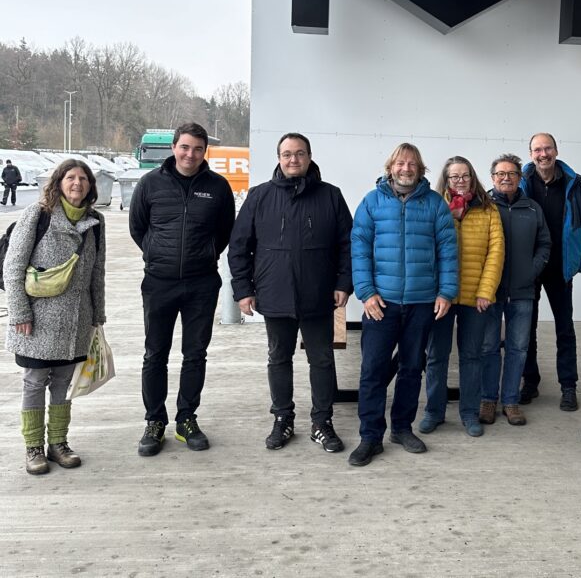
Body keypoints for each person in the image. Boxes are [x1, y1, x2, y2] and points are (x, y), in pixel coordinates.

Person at [228, 132, 353, 454]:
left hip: (319, 296)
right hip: (275, 295)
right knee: (278, 358)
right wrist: (243, 290)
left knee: (322, 360)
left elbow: (347, 246)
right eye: (287, 154)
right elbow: (239, 247)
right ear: (279, 158)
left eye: (299, 154)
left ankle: (322, 423)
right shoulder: (260, 197)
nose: (293, 160)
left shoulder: (330, 196)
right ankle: (282, 419)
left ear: (309, 157)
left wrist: (343, 284)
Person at [349, 143, 458, 466]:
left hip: (422, 302)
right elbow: (359, 249)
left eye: (412, 164)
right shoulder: (371, 203)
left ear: (420, 169)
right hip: (381, 303)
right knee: (372, 370)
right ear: (390, 167)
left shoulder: (436, 205)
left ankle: (401, 428)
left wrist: (446, 292)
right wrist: (366, 292)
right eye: (400, 163)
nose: (406, 169)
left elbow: (448, 252)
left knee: (412, 368)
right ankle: (370, 436)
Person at [129, 122, 235, 457]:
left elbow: (224, 232)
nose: (190, 154)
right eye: (185, 147)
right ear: (174, 147)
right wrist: (157, 252)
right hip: (159, 283)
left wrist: (202, 256)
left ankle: (186, 419)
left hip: (201, 284)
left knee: (195, 354)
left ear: (205, 152)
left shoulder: (218, 187)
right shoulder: (150, 184)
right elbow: (138, 227)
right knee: (154, 354)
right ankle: (154, 421)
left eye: (198, 149)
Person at [4, 159, 106, 474]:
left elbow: (97, 273)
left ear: (90, 185)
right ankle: (33, 448)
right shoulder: (38, 215)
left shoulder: (96, 221)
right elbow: (13, 266)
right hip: (35, 319)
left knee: (64, 382)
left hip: (77, 319)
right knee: (34, 381)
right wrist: (19, 311)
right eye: (71, 177)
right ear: (59, 182)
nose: (77, 183)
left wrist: (97, 315)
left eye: (83, 179)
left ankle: (58, 443)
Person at [419, 156, 504, 437]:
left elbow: (496, 253)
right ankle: (434, 411)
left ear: (472, 177)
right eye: (454, 176)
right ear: (446, 178)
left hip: (474, 296)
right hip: (441, 296)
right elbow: (427, 250)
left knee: (471, 357)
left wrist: (486, 291)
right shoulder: (434, 206)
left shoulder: (488, 209)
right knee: (436, 356)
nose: (460, 181)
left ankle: (469, 412)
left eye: (465, 175)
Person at [519, 133, 581, 410]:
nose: (543, 154)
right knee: (527, 327)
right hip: (530, 267)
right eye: (537, 149)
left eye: (547, 148)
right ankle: (530, 382)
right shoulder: (523, 183)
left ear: (556, 150)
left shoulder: (574, 184)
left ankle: (568, 386)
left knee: (565, 329)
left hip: (561, 268)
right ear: (531, 154)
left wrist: (580, 261)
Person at [479, 154, 550, 426]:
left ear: (520, 178)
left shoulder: (532, 208)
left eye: (511, 173)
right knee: (488, 347)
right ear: (492, 177)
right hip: (489, 292)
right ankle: (488, 399)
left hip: (522, 291)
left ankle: (510, 401)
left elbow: (545, 244)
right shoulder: (483, 207)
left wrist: (531, 271)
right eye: (500, 174)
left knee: (518, 348)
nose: (506, 178)